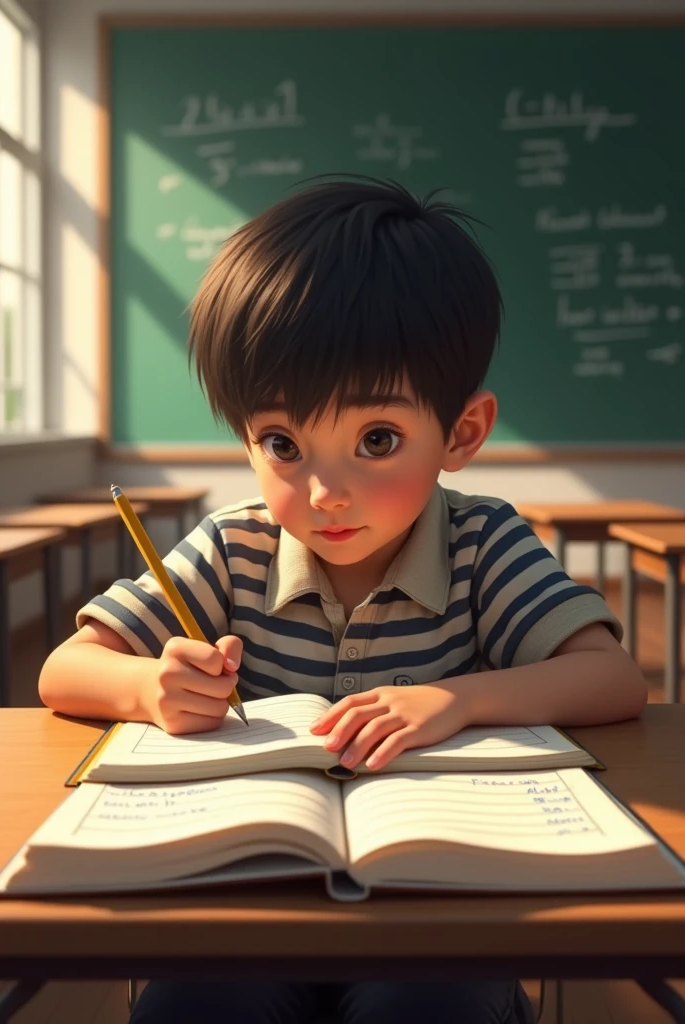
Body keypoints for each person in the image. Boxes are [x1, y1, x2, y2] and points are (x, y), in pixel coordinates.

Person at [39, 175, 647, 1024]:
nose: (326, 491)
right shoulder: (231, 545)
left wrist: (456, 700)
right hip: (250, 894)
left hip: (436, 901)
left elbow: (614, 679)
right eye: (283, 443)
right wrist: (148, 687)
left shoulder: (482, 545)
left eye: (377, 440)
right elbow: (66, 669)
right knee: (195, 1004)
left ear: (461, 434)